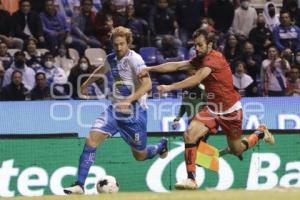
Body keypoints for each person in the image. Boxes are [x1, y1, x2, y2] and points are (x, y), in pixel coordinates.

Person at [139, 28, 275, 190]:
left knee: (236, 149)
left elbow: (197, 78)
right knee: (189, 134)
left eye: (200, 45)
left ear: (210, 45)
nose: (196, 48)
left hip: (231, 111)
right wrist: (150, 69)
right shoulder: (200, 58)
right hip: (212, 108)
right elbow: (177, 66)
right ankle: (191, 179)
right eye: (195, 45)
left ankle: (260, 132)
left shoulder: (214, 59)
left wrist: (169, 87)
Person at [63, 26, 168, 194]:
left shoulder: (136, 60)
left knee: (139, 155)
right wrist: (86, 83)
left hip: (135, 114)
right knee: (91, 139)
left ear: (128, 43)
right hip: (114, 111)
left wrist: (128, 100)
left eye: (122, 44)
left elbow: (147, 85)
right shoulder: (111, 58)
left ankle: (160, 146)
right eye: (115, 44)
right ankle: (79, 185)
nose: (118, 48)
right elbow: (102, 70)